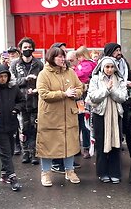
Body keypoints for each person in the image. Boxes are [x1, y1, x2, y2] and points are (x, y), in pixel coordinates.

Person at [36, 47, 83, 187]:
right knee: (47, 145)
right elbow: (44, 94)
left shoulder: (70, 72)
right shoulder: (44, 74)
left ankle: (70, 171)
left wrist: (77, 93)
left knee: (70, 143)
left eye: (63, 56)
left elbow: (80, 87)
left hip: (68, 115)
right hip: (50, 117)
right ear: (51, 58)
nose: (63, 59)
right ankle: (45, 173)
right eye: (59, 57)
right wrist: (64, 94)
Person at [87, 57, 128, 183]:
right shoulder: (95, 79)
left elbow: (122, 97)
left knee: (116, 143)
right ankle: (102, 172)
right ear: (102, 67)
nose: (109, 70)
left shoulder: (120, 79)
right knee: (101, 143)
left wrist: (112, 90)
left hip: (116, 114)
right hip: (100, 114)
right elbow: (93, 97)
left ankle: (115, 172)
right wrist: (106, 90)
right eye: (107, 67)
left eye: (112, 67)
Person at [0, 65, 25, 191]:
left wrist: (16, 110)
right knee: (5, 152)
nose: (3, 79)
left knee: (11, 150)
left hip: (11, 123)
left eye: (5, 76)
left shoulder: (13, 88)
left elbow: (22, 100)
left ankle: (4, 174)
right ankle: (13, 177)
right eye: (0, 77)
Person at [10, 37, 43, 165]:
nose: (27, 50)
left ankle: (34, 152)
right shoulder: (15, 64)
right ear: (20, 49)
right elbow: (11, 82)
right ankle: (25, 152)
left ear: (33, 48)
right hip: (21, 101)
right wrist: (25, 79)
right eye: (25, 48)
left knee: (34, 127)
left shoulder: (39, 64)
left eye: (29, 48)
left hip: (35, 100)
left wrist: (36, 87)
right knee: (23, 128)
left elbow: (43, 81)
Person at [103, 43, 131, 159]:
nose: (119, 53)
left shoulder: (124, 63)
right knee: (113, 129)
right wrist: (125, 84)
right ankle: (112, 157)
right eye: (116, 50)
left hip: (124, 99)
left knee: (129, 129)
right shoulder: (105, 64)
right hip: (111, 101)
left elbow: (128, 79)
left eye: (119, 50)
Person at [73, 46, 97, 158]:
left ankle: (85, 147)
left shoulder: (86, 65)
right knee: (84, 121)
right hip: (84, 98)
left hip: (83, 98)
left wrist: (75, 70)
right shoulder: (91, 64)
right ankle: (85, 147)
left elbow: (81, 75)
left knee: (84, 122)